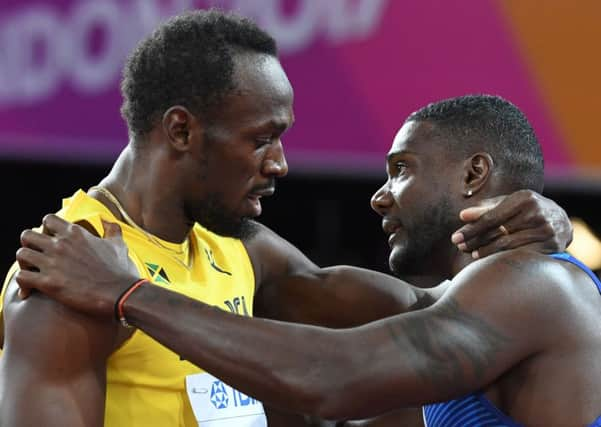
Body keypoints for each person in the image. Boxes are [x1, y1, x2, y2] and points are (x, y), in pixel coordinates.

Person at [1, 9, 572, 427]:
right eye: (262, 139)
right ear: (181, 130)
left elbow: (432, 311)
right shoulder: (68, 272)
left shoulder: (241, 250)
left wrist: (538, 238)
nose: (280, 163)